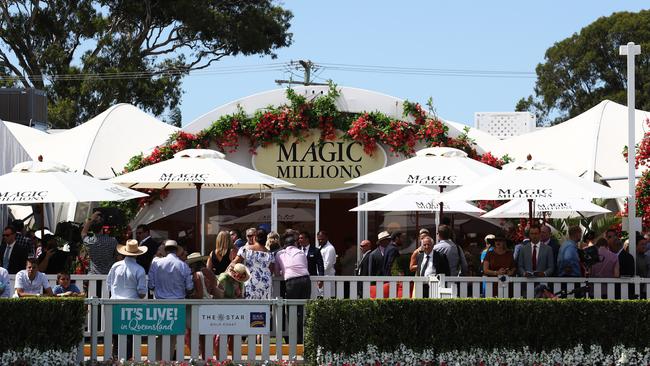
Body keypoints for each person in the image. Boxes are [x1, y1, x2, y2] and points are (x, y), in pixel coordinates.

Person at [106, 239, 148, 360]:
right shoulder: (139, 269)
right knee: (129, 333)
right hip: (131, 305)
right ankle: (127, 359)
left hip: (115, 302)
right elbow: (141, 292)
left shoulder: (115, 266)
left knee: (115, 333)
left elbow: (108, 284)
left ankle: (115, 358)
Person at [274, 234, 311, 342]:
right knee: (304, 308)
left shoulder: (279, 254)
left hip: (291, 281)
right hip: (305, 279)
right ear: (295, 244)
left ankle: (294, 337)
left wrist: (284, 271)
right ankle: (304, 337)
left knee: (291, 309)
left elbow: (276, 273)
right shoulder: (301, 252)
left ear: (285, 245)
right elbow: (305, 267)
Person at [232, 231, 275, 299]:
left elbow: (234, 263)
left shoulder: (245, 249)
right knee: (264, 307)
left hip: (250, 281)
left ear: (254, 238)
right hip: (265, 282)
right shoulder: (270, 254)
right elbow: (271, 271)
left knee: (250, 306)